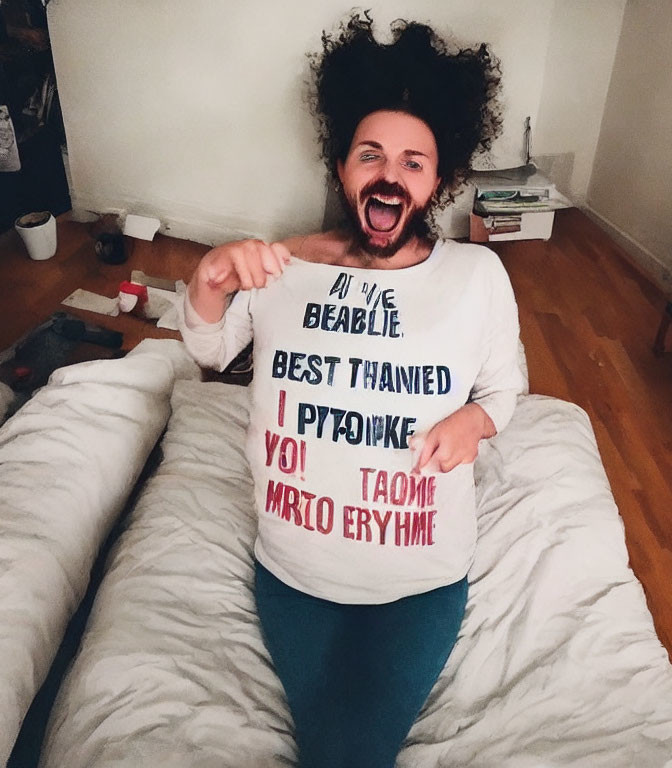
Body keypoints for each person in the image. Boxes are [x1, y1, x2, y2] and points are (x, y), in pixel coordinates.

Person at [179, 13, 523, 768]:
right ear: (344, 168)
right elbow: (208, 346)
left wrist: (475, 419)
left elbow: (506, 387)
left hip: (421, 580)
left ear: (438, 180)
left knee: (348, 749)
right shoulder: (284, 263)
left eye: (413, 161)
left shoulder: (477, 277)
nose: (390, 175)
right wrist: (210, 280)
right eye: (371, 155)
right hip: (292, 570)